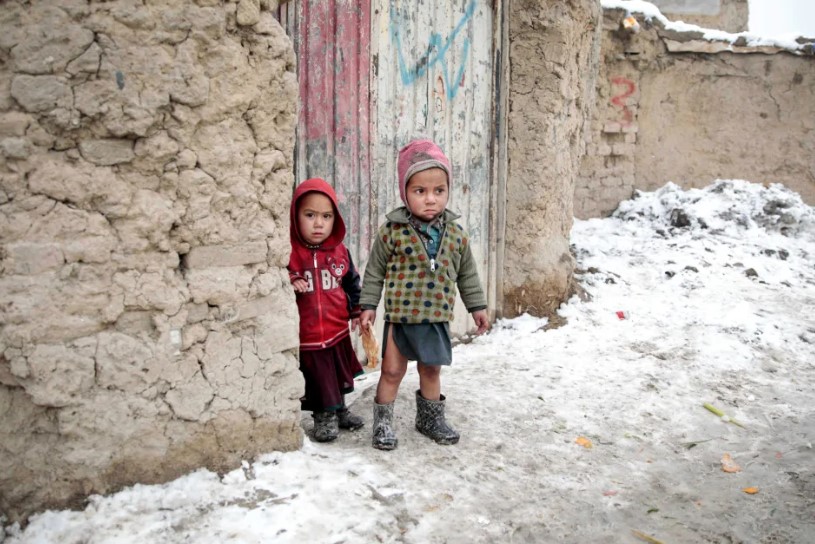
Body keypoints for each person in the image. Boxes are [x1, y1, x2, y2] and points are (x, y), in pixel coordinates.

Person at [359, 137, 490, 451]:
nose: (430, 199)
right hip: (401, 318)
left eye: (438, 191)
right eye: (420, 191)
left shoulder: (456, 235)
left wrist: (477, 306)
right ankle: (383, 423)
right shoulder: (392, 231)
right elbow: (375, 270)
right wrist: (368, 304)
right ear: (404, 192)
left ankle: (429, 419)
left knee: (431, 369)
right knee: (391, 370)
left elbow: (467, 274)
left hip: (435, 317)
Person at [288, 178, 365, 442]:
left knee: (337, 375)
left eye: (326, 216)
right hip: (308, 335)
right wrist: (290, 280)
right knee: (320, 380)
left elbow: (352, 282)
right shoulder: (289, 253)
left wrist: (356, 311)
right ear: (295, 215)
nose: (318, 223)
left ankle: (340, 410)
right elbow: (272, 279)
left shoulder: (339, 251)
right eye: (310, 215)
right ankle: (324, 416)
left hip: (336, 330)